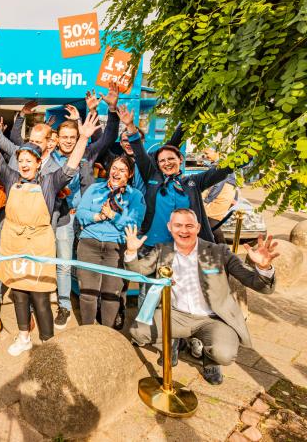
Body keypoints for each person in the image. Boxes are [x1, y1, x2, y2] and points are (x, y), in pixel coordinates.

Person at [0, 88, 100, 355]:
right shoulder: (11, 178)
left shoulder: (50, 181)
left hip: (40, 242)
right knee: (19, 293)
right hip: (14, 240)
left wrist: (83, 138)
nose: (23, 164)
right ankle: (23, 336)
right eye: (20, 160)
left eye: (28, 160)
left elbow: (71, 167)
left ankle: (48, 343)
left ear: (37, 162)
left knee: (40, 296)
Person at [125, 209, 278, 385]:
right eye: (178, 225)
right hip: (176, 315)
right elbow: (138, 272)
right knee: (138, 332)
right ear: (170, 227)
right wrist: (131, 253)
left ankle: (209, 360)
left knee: (225, 354)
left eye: (189, 226)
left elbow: (259, 285)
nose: (184, 230)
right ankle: (176, 341)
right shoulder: (162, 250)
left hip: (212, 319)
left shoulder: (219, 252)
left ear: (198, 227)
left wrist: (264, 268)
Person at [48, 85, 122, 328]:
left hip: (91, 219)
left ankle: (101, 306)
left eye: (73, 137)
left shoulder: (89, 153)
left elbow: (110, 136)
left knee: (94, 263)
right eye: (65, 137)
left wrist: (109, 109)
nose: (69, 141)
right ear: (58, 138)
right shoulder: (51, 159)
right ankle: (65, 306)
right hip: (65, 219)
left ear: (78, 136)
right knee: (64, 264)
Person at [119, 106, 235, 247]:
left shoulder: (193, 182)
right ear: (157, 164)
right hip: (153, 244)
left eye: (171, 159)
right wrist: (130, 126)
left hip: (186, 247)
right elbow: (138, 150)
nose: (167, 163)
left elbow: (220, 171)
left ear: (180, 159)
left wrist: (243, 158)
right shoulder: (152, 177)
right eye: (162, 160)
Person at [75, 154, 146, 326]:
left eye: (122, 170)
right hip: (89, 244)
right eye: (114, 168)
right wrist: (98, 216)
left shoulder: (135, 196)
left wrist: (113, 216)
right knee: (87, 293)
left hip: (117, 247)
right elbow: (81, 213)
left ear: (129, 175)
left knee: (111, 292)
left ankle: (108, 335)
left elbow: (133, 224)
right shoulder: (95, 189)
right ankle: (87, 331)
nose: (116, 173)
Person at [201, 147, 238, 244]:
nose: (205, 156)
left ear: (216, 152)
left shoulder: (219, 165)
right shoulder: (221, 163)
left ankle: (223, 249)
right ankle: (220, 248)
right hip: (224, 195)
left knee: (212, 222)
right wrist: (235, 198)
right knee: (211, 222)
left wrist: (207, 200)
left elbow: (218, 184)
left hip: (221, 196)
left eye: (207, 152)